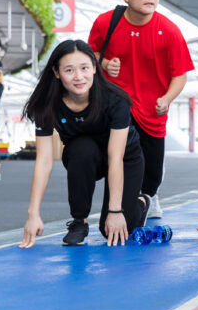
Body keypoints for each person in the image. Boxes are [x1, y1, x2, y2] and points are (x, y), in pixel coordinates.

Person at [20, 40, 150, 248]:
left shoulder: (115, 100)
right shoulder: (48, 104)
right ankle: (79, 222)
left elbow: (115, 157)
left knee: (113, 231)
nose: (79, 77)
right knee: (81, 147)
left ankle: (140, 203)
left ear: (95, 69)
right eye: (69, 70)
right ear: (56, 72)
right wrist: (33, 214)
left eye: (84, 68)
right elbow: (44, 161)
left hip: (124, 157)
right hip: (85, 156)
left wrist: (115, 212)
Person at [88, 0, 194, 218]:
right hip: (116, 103)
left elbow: (180, 74)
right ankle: (122, 201)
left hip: (152, 109)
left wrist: (167, 99)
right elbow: (89, 54)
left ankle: (150, 195)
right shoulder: (106, 23)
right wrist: (104, 64)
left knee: (153, 167)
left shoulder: (169, 31)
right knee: (118, 156)